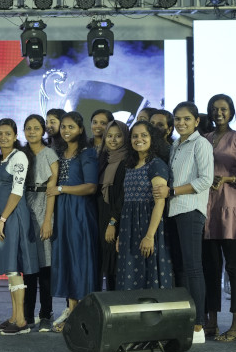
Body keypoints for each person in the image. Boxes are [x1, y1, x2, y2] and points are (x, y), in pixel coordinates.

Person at [153, 101, 213, 344]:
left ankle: (198, 325)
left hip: (190, 210)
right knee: (180, 269)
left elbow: (206, 180)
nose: (181, 123)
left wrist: (173, 192)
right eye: (177, 119)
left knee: (193, 268)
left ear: (197, 121)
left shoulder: (201, 144)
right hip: (174, 211)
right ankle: (186, 321)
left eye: (187, 118)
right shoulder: (176, 145)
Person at [201, 94, 236, 342]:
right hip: (207, 209)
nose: (218, 112)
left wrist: (228, 179)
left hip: (231, 209)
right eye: (214, 109)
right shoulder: (204, 139)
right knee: (210, 269)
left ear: (231, 112)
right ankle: (211, 322)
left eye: (223, 108)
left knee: (234, 268)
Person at [48, 111, 99, 331]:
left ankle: (83, 315)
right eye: (63, 126)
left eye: (71, 127)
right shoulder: (59, 152)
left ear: (80, 129)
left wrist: (61, 189)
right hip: (62, 211)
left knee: (80, 260)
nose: (66, 130)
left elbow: (91, 186)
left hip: (80, 212)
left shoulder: (87, 153)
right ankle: (71, 310)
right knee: (66, 258)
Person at [0, 119, 39, 336]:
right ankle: (13, 316)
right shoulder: (3, 157)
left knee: (14, 267)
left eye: (8, 133)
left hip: (13, 216)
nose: (3, 137)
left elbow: (17, 191)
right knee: (11, 268)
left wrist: (3, 219)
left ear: (15, 136)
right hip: (4, 215)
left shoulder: (19, 156)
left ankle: (21, 321)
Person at [116, 122, 172, 290]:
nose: (138, 139)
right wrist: (120, 234)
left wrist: (149, 236)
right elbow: (126, 202)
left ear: (152, 138)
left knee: (149, 273)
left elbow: (159, 202)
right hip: (128, 227)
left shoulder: (156, 164)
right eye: (135, 136)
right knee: (128, 274)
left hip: (148, 225)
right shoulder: (129, 165)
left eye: (144, 135)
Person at [21, 115, 56, 330]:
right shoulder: (21, 153)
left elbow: (52, 188)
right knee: (28, 267)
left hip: (44, 205)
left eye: (36, 128)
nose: (32, 132)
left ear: (43, 130)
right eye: (28, 128)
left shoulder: (49, 153)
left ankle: (45, 314)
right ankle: (26, 315)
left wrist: (47, 221)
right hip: (25, 205)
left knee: (45, 266)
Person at [97, 120, 130, 292]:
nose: (113, 140)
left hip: (117, 219)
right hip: (102, 218)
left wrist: (113, 222)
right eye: (109, 136)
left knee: (117, 267)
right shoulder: (104, 159)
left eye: (118, 136)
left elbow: (123, 196)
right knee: (108, 268)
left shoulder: (128, 161)